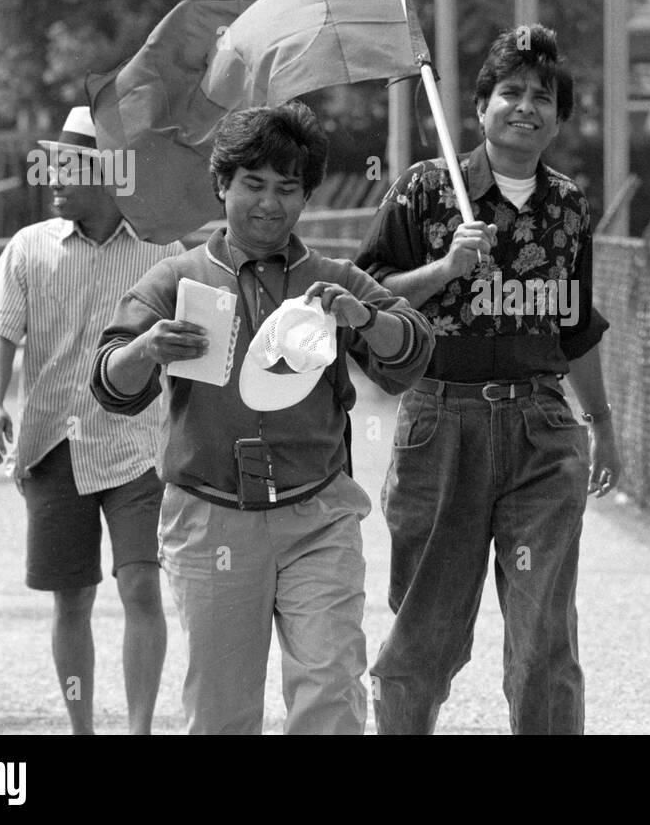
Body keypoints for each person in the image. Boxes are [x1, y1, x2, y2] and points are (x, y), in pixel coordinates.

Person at [90, 101, 433, 735]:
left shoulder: (333, 281)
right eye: (253, 184)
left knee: (330, 693)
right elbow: (109, 383)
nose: (269, 203)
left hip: (318, 513)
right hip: (209, 516)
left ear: (306, 196)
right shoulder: (176, 278)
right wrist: (147, 349)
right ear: (221, 185)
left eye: (287, 188)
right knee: (222, 714)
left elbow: (411, 352)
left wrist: (365, 319)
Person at [355, 23, 622, 735]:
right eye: (510, 92)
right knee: (424, 636)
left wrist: (602, 424)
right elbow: (369, 296)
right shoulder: (425, 189)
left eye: (542, 96)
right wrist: (444, 269)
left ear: (559, 118)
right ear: (479, 108)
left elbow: (575, 325)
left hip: (543, 430)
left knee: (545, 640)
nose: (525, 107)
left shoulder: (568, 205)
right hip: (444, 424)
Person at [0, 106, 182, 734]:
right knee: (72, 598)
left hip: (138, 444)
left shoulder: (161, 251)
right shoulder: (28, 248)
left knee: (142, 585)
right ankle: (82, 729)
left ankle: (139, 729)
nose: (53, 179)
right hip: (52, 443)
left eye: (68, 168)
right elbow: (0, 336)